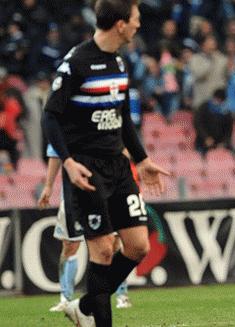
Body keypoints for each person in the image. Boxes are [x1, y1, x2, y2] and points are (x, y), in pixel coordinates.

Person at [41, 1, 170, 326]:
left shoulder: (119, 62)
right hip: (86, 169)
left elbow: (123, 117)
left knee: (139, 246)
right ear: (120, 24)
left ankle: (84, 307)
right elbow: (50, 117)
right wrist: (68, 163)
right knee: (102, 254)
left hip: (118, 165)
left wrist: (141, 160)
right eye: (136, 19)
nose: (139, 25)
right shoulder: (76, 63)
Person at [38, 144, 132, 312]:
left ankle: (121, 294)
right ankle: (65, 298)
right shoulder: (61, 122)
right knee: (70, 245)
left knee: (112, 244)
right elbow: (55, 154)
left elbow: (122, 147)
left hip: (107, 192)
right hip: (73, 195)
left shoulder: (104, 122)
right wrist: (48, 186)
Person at [193, 88, 235, 156]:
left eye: (221, 101)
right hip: (203, 141)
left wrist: (224, 142)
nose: (218, 102)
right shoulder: (204, 107)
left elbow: (229, 128)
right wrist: (206, 137)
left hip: (220, 142)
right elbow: (197, 123)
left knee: (232, 153)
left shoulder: (226, 111)